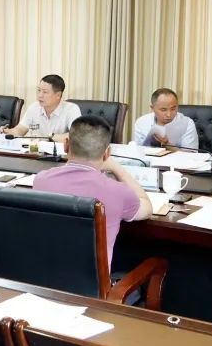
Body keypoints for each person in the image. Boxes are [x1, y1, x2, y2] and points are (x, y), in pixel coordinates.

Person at [33, 115, 152, 268]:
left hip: (42, 277)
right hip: (91, 283)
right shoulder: (118, 192)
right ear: (107, 153)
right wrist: (117, 169)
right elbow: (147, 209)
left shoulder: (41, 180)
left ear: (66, 145)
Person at [0, 74, 81, 142]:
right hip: (35, 153)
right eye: (39, 90)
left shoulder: (71, 109)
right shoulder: (34, 107)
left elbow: (77, 135)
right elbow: (21, 129)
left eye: (45, 92)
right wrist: (9, 132)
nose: (40, 95)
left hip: (60, 155)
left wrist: (52, 136)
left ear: (58, 95)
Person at [131, 88, 199, 149]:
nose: (169, 114)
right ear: (152, 108)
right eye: (163, 110)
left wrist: (167, 144)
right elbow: (138, 151)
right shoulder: (141, 122)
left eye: (173, 109)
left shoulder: (187, 123)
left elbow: (191, 155)